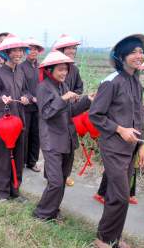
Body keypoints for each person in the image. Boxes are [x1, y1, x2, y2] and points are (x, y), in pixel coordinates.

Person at [89, 34, 144, 248]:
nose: (139, 55)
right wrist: (120, 129)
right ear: (121, 56)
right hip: (114, 147)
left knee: (120, 195)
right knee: (120, 195)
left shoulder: (135, 81)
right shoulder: (111, 82)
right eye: (133, 52)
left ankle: (115, 237)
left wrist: (141, 145)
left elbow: (138, 115)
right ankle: (102, 238)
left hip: (131, 147)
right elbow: (95, 115)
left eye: (141, 52)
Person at [33, 50, 92, 221]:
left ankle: (53, 210)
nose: (64, 73)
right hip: (51, 140)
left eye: (66, 69)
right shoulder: (43, 87)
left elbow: (71, 111)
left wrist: (87, 100)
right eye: (60, 69)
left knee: (62, 178)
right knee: (56, 181)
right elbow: (46, 113)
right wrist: (63, 98)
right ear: (49, 70)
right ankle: (42, 214)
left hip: (67, 138)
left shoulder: (63, 86)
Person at [0, 34, 31, 202]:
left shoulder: (21, 72)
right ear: (6, 53)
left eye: (20, 50)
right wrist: (0, 100)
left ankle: (15, 190)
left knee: (19, 155)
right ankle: (2, 192)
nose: (18, 54)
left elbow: (26, 91)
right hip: (4, 122)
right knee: (3, 156)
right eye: (14, 51)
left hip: (20, 120)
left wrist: (27, 97)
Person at [52, 34, 85, 186]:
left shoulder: (75, 69)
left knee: (70, 145)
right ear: (60, 50)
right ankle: (52, 176)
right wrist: (63, 97)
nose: (72, 51)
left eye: (74, 48)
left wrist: (75, 95)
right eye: (69, 48)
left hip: (71, 110)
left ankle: (65, 175)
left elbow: (79, 87)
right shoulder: (52, 69)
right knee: (55, 147)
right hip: (55, 111)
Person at [17, 38, 44, 172]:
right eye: (30, 49)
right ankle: (21, 162)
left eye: (35, 49)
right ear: (25, 51)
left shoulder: (41, 68)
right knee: (25, 134)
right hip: (25, 106)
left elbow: (45, 86)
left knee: (36, 135)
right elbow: (20, 87)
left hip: (39, 107)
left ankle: (32, 162)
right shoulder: (20, 67)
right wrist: (31, 97)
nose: (33, 51)